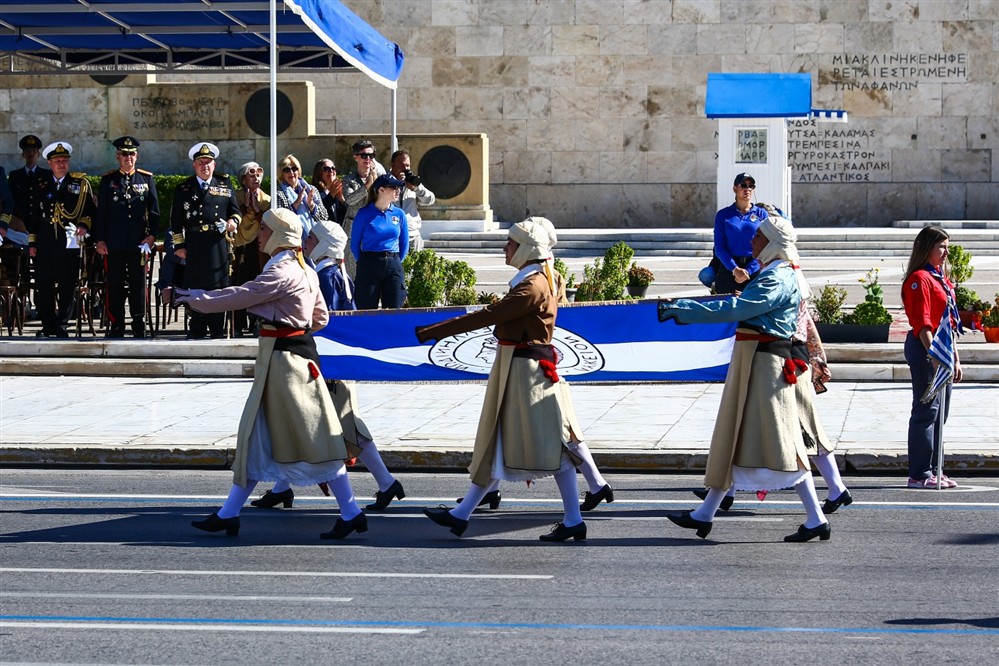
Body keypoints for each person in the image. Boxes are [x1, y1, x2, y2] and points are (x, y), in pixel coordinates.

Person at [177, 208, 368, 540]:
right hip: (285, 360)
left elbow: (244, 294)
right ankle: (228, 513)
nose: (260, 234)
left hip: (287, 365)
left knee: (315, 441)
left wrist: (199, 299)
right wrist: (285, 314)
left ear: (279, 233)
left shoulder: (283, 270)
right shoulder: (304, 269)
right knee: (256, 437)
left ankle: (351, 511)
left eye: (264, 229)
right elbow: (320, 318)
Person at [658, 215, 831, 543]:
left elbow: (739, 308)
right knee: (738, 436)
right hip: (757, 362)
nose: (751, 242)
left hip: (765, 367)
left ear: (772, 243)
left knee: (783, 444)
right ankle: (705, 514)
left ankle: (816, 517)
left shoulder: (777, 277)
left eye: (758, 237)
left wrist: (685, 310)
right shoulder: (775, 272)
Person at [416, 217, 589, 542]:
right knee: (499, 441)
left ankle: (573, 518)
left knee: (552, 446)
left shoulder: (532, 285)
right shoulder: (536, 280)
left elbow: (490, 316)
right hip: (519, 367)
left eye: (511, 242)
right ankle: (462, 514)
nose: (505, 247)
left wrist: (434, 332)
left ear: (526, 248)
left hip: (527, 371)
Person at [695, 205, 852, 515]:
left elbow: (803, 321)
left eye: (759, 234)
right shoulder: (785, 269)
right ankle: (833, 489)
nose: (753, 238)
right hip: (789, 355)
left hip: (786, 357)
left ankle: (832, 492)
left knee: (795, 431)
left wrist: (817, 355)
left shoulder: (784, 274)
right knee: (789, 428)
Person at [250, 220, 406, 513]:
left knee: (343, 428)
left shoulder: (327, 276)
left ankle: (384, 484)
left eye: (312, 239)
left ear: (323, 244)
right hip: (333, 363)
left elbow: (325, 326)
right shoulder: (334, 274)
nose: (306, 243)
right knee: (304, 425)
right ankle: (282, 488)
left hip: (329, 364)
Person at [901, 226, 962, 489]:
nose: (946, 252)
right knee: (926, 411)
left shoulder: (940, 278)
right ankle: (920, 473)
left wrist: (955, 358)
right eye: (942, 247)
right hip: (926, 350)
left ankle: (935, 468)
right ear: (927, 248)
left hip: (942, 351)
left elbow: (947, 322)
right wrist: (935, 357)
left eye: (947, 246)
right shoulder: (919, 279)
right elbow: (922, 323)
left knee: (940, 413)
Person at [170, 142, 241, 339]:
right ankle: (197, 327)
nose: (205, 166)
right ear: (194, 165)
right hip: (194, 244)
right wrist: (179, 245)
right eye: (201, 162)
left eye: (208, 162)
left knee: (218, 286)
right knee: (196, 286)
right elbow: (175, 222)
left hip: (217, 243)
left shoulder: (224, 184)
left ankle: (218, 327)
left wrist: (232, 223)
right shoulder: (184, 188)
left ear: (214, 165)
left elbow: (236, 212)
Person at [27, 141, 97, 338]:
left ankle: (62, 324)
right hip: (45, 243)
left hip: (69, 243)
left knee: (67, 285)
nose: (61, 164)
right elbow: (34, 216)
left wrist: (84, 225)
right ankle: (48, 324)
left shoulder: (79, 184)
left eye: (64, 161)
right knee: (44, 285)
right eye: (57, 161)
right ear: (49, 163)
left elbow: (89, 211)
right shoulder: (41, 183)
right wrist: (32, 242)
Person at [95, 136, 160, 339]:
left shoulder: (146, 179)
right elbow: (101, 214)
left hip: (138, 244)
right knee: (114, 284)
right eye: (124, 154)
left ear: (136, 156)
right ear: (117, 156)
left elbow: (155, 213)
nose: (128, 158)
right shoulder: (108, 180)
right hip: (113, 244)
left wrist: (151, 237)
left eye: (132, 154)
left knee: (138, 285)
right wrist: (100, 240)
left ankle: (138, 323)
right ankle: (116, 324)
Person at [350, 174, 408, 310]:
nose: (398, 190)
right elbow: (354, 244)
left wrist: (396, 262)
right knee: (366, 310)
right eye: (394, 187)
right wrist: (365, 262)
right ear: (381, 190)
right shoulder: (364, 214)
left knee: (394, 310)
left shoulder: (399, 214)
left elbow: (404, 244)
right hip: (369, 262)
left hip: (393, 263)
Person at [709, 172, 768, 295]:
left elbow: (766, 245)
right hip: (730, 265)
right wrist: (735, 269)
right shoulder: (723, 215)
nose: (747, 189)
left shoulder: (761, 214)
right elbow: (719, 247)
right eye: (743, 185)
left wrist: (748, 271)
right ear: (735, 189)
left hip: (753, 264)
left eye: (751, 186)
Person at [233, 161, 271, 337]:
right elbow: (232, 215)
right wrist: (244, 208)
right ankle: (237, 324)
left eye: (258, 173)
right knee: (239, 286)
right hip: (240, 247)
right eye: (251, 174)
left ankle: (256, 322)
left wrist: (256, 211)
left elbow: (269, 222)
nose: (256, 177)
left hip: (259, 249)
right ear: (243, 179)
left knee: (258, 286)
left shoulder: (268, 200)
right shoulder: (236, 197)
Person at [342, 140, 385, 277]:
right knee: (353, 274)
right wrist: (367, 186)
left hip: (374, 229)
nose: (368, 159)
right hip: (354, 230)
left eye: (371, 155)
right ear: (356, 157)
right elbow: (349, 200)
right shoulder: (349, 180)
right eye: (364, 155)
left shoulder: (381, 179)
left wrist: (376, 182)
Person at [389, 149, 436, 253]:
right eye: (402, 165)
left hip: (412, 235)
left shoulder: (412, 182)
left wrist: (416, 188)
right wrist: (396, 183)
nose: (405, 169)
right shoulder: (385, 181)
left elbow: (430, 200)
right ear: (392, 164)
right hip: (392, 235)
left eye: (407, 166)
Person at [274, 154, 326, 247]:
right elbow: (280, 221)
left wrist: (311, 205)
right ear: (281, 174)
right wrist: (297, 203)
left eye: (294, 169)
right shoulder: (278, 193)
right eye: (287, 170)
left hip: (315, 239)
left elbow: (324, 217)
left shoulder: (311, 189)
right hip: (291, 242)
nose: (291, 172)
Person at [311, 158, 346, 227]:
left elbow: (347, 215)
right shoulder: (314, 191)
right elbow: (319, 213)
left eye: (333, 168)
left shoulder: (339, 190)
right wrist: (331, 195)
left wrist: (342, 200)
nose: (331, 171)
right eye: (326, 169)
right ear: (319, 172)